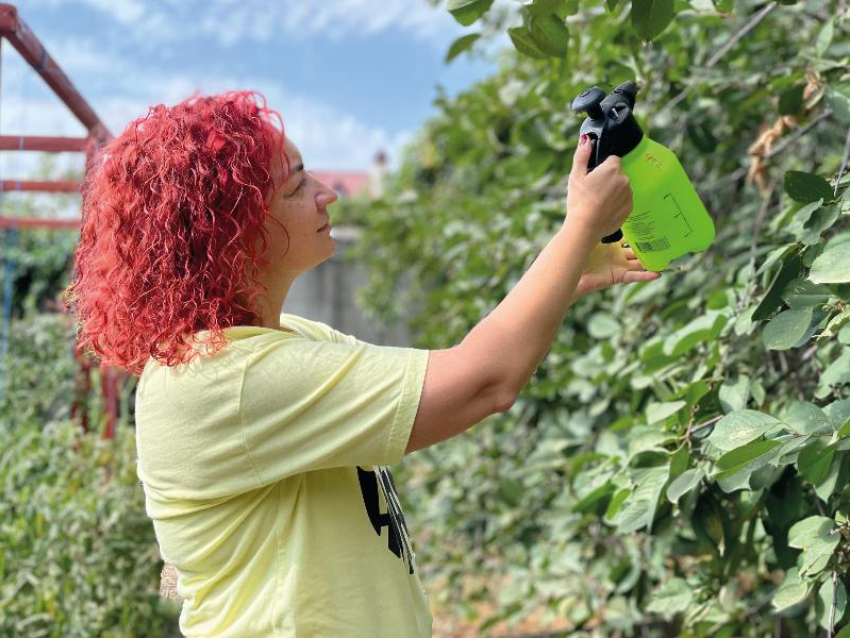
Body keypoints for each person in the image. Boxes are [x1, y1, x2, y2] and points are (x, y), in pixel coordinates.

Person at [65, 90, 658, 637]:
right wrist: (578, 224)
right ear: (233, 231)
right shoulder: (226, 379)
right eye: (296, 185)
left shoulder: (287, 340)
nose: (328, 192)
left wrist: (568, 271)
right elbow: (483, 382)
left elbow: (448, 374)